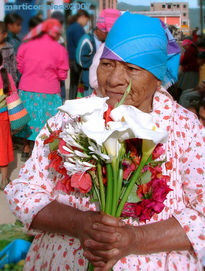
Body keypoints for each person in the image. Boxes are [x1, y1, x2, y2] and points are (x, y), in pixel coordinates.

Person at [5, 12, 205, 271]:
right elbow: (25, 191)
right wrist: (79, 223)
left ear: (157, 77)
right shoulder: (71, 118)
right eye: (108, 63)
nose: (112, 80)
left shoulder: (185, 129)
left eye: (131, 69)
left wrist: (134, 239)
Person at [16, 18, 69, 161]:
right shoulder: (60, 49)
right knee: (46, 123)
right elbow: (63, 74)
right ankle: (42, 152)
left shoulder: (26, 45)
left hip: (27, 90)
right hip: (49, 93)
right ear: (56, 34)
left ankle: (26, 147)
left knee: (29, 121)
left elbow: (20, 66)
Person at [76, 9, 121, 97]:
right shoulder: (121, 46)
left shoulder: (105, 48)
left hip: (100, 91)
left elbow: (93, 80)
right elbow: (81, 59)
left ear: (106, 31)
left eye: (100, 28)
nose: (98, 31)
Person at [0, 51, 16, 189]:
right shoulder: (6, 76)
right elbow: (13, 95)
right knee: (3, 147)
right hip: (3, 118)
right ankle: (4, 179)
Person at [66, 10, 90, 99]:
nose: (86, 23)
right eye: (86, 21)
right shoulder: (78, 29)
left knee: (73, 83)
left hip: (72, 59)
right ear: (83, 17)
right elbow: (81, 46)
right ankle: (73, 101)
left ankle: (71, 100)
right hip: (77, 60)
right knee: (76, 84)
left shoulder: (71, 27)